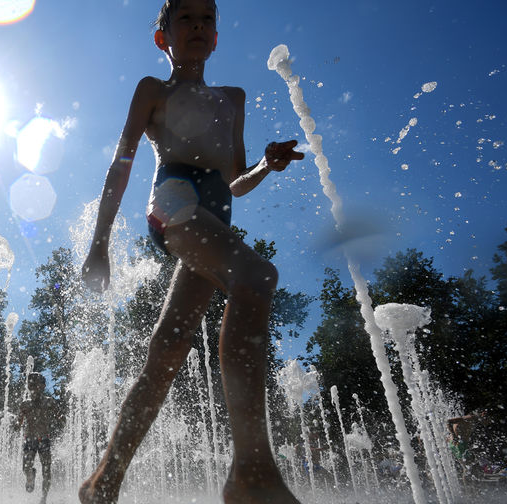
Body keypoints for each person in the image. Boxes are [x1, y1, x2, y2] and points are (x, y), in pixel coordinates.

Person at [79, 1, 304, 502]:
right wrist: (99, 242)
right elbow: (122, 163)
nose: (198, 26)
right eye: (186, 18)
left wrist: (266, 166)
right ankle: (252, 471)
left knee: (167, 351)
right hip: (174, 203)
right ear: (164, 38)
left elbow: (236, 183)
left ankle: (103, 481)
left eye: (208, 19)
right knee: (256, 276)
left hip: (214, 218)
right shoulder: (154, 90)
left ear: (218, 37)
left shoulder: (233, 98)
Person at [17, 372, 58, 503]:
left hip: (44, 438)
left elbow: (59, 414)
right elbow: (19, 421)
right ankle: (30, 475)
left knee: (46, 469)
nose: (33, 387)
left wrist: (63, 419)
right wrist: (15, 424)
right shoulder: (25, 404)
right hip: (30, 439)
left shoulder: (49, 402)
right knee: (26, 467)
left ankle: (44, 498)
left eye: (35, 384)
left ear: (43, 386)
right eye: (30, 384)